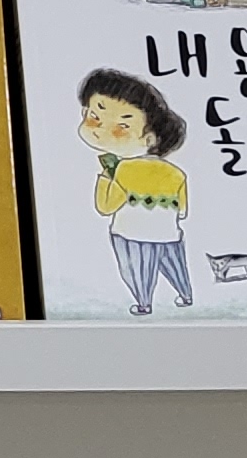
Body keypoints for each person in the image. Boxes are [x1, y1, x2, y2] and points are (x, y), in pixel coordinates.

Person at [73, 66, 192, 313]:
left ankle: (144, 304)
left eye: (122, 127)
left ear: (149, 139)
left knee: (137, 270)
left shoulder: (123, 170)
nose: (101, 130)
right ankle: (185, 295)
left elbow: (105, 207)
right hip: (169, 233)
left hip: (130, 233)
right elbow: (182, 209)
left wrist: (105, 177)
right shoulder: (175, 172)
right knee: (175, 266)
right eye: (95, 117)